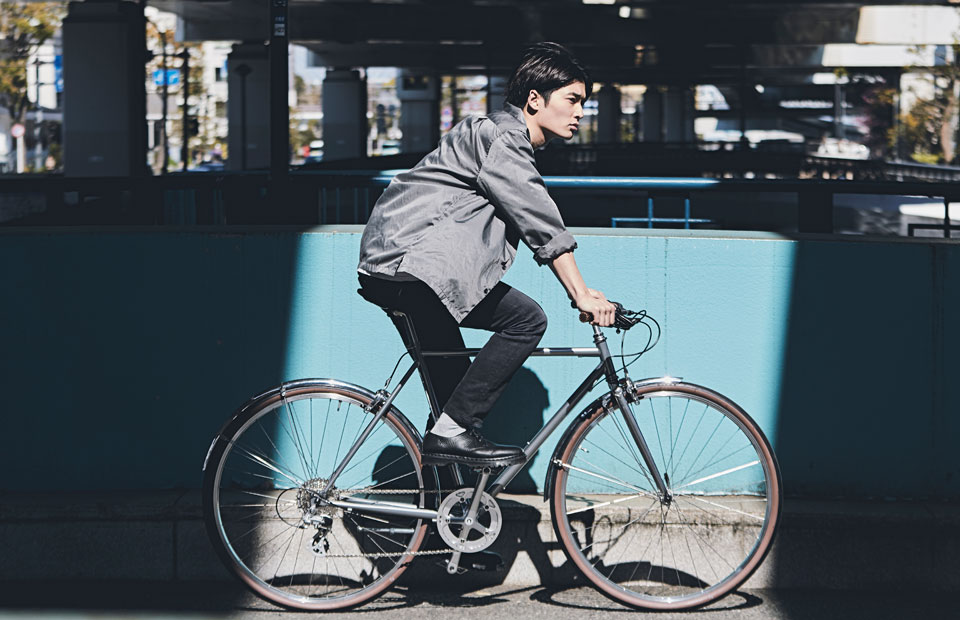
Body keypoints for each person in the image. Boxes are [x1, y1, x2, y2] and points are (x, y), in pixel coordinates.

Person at [358, 42, 616, 468]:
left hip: (401, 268)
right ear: (535, 99)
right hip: (410, 268)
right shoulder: (502, 138)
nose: (580, 112)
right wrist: (581, 293)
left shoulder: (494, 134)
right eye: (572, 100)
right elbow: (540, 219)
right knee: (526, 320)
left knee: (452, 404)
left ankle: (447, 510)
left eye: (583, 103)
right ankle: (450, 437)